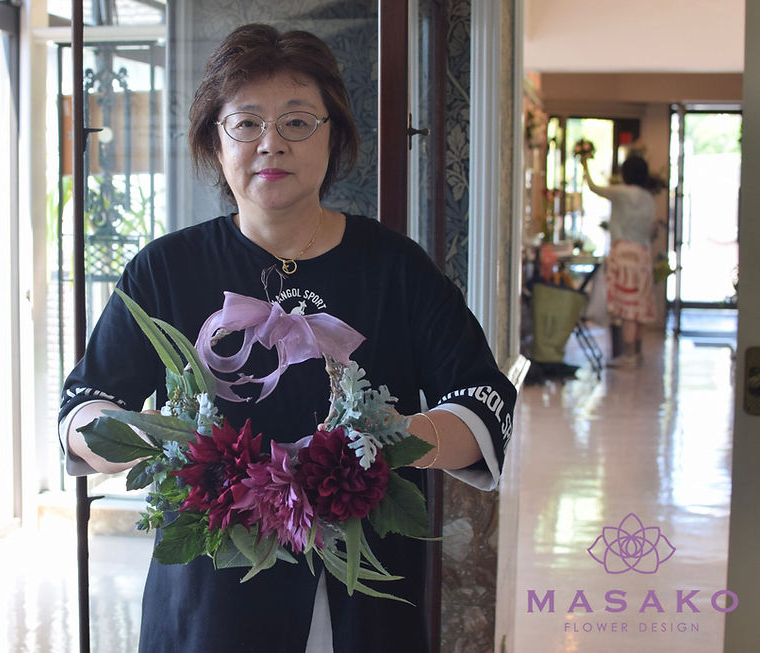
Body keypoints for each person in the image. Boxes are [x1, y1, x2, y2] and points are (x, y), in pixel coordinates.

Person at [59, 23, 516, 652]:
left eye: (298, 122)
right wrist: (164, 441)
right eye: (246, 123)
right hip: (210, 603)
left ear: (334, 137)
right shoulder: (164, 270)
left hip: (366, 598)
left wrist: (387, 442)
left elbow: (484, 402)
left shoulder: (396, 268)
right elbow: (82, 407)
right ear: (215, 141)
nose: (271, 143)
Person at [581, 153, 659, 369]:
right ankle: (637, 353)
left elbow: (593, 187)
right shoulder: (649, 198)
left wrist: (584, 164)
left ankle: (628, 356)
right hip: (642, 255)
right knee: (639, 308)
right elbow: (651, 230)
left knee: (627, 311)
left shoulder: (621, 193)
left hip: (623, 254)